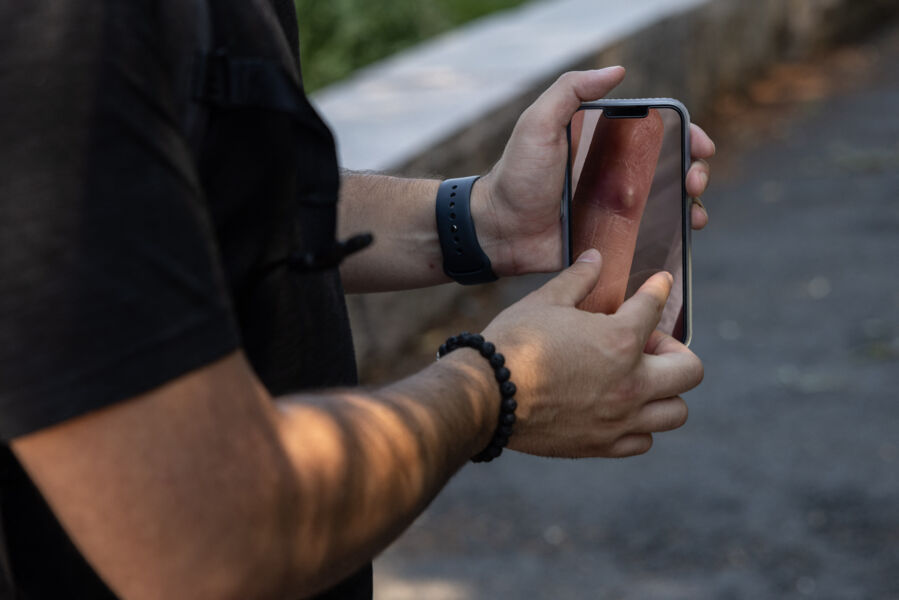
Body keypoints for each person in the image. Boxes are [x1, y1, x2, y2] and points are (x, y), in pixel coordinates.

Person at [0, 1, 715, 598]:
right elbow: (204, 531)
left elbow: (203, 201)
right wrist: (500, 385)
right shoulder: (69, 28)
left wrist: (485, 219)